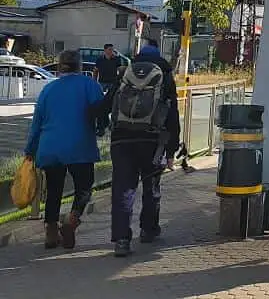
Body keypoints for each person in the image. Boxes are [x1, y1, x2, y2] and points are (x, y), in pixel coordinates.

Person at [100, 38, 180, 257]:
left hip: (121, 139)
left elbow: (107, 103)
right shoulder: (164, 76)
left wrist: (99, 124)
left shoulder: (127, 73)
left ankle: (122, 240)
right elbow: (172, 115)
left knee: (123, 189)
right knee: (151, 187)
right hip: (152, 141)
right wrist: (172, 150)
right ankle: (148, 229)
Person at [23, 49, 106, 249]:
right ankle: (72, 220)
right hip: (80, 146)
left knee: (54, 190)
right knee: (84, 187)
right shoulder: (90, 85)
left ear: (59, 67)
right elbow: (101, 113)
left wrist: (30, 150)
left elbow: (37, 123)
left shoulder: (48, 90)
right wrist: (101, 129)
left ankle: (51, 233)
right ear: (80, 66)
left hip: (50, 147)